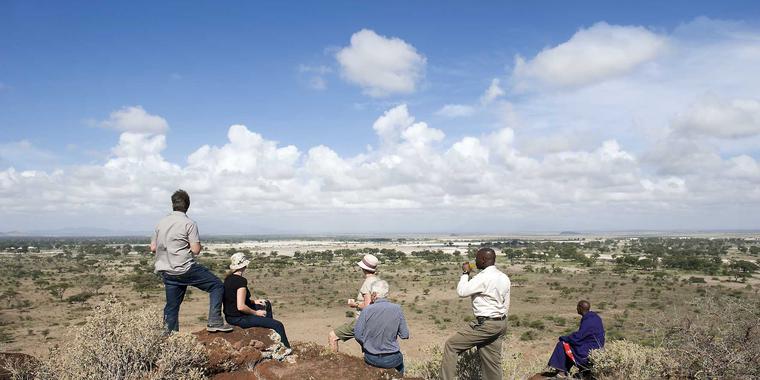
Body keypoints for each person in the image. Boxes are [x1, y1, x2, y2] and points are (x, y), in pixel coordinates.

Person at [150, 189, 232, 333]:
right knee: (217, 286)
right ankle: (214, 321)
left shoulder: (160, 223)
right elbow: (195, 250)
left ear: (173, 205)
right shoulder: (189, 223)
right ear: (187, 205)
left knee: (172, 306)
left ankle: (169, 336)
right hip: (185, 268)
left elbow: (153, 248)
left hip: (167, 271)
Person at [440, 247, 511, 380]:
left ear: (483, 259)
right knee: (492, 363)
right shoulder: (504, 277)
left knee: (451, 346)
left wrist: (466, 273)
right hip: (500, 322)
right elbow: (506, 303)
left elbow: (462, 291)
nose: (475, 261)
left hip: (485, 324)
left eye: (477, 258)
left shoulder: (483, 277)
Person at [222, 252, 292, 354]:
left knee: (265, 303)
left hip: (231, 316)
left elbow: (233, 299)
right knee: (278, 325)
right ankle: (286, 349)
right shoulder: (240, 281)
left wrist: (254, 301)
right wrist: (256, 313)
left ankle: (268, 333)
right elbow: (241, 306)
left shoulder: (228, 279)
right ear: (245, 265)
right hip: (239, 318)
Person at [354, 280, 409, 374]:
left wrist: (367, 344)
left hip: (371, 357)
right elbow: (405, 335)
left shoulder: (367, 310)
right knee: (400, 369)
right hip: (392, 358)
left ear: (374, 294)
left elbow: (357, 335)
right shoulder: (397, 308)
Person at [328, 254, 381, 352]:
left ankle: (333, 362)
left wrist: (355, 304)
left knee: (333, 336)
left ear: (363, 268)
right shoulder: (378, 281)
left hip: (363, 320)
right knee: (368, 348)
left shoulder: (368, 283)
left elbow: (368, 306)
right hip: (376, 320)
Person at [544, 300, 605, 377]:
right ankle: (582, 371)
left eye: (577, 307)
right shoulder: (595, 317)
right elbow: (585, 335)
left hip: (589, 349)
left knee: (562, 345)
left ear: (580, 308)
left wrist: (564, 338)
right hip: (597, 347)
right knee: (571, 345)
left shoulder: (588, 320)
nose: (576, 309)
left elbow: (579, 336)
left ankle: (562, 372)